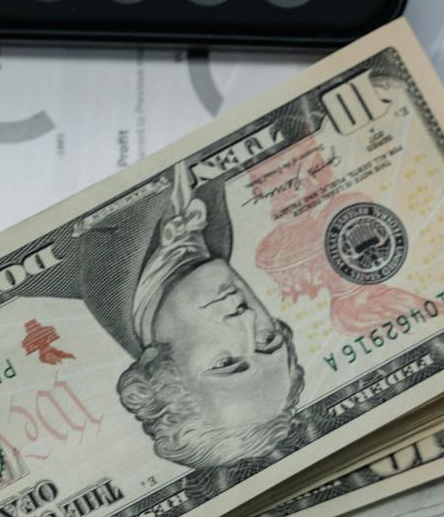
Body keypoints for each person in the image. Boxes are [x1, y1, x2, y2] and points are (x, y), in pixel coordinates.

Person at [75, 160, 306, 470]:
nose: (247, 320)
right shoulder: (218, 221)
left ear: (157, 371)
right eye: (267, 340)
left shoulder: (68, 266)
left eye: (225, 363)